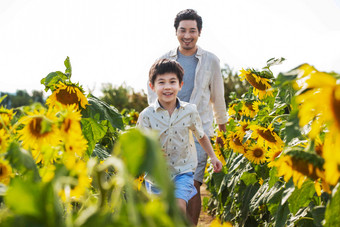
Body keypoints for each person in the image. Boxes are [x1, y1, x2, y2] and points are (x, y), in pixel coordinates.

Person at [147, 9, 228, 225]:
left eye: (192, 30)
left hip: (199, 129)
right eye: (183, 30)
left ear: (199, 32)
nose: (187, 35)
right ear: (176, 32)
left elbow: (218, 96)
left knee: (193, 184)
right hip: (168, 130)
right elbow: (151, 94)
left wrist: (223, 128)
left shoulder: (210, 60)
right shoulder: (163, 60)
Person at [138, 58, 222, 217]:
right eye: (161, 82)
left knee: (179, 208)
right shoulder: (146, 116)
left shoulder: (189, 111)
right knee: (160, 215)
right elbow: (140, 144)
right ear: (152, 86)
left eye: (172, 81)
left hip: (183, 171)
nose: (167, 87)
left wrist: (213, 156)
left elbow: (201, 135)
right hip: (157, 174)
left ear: (180, 85)